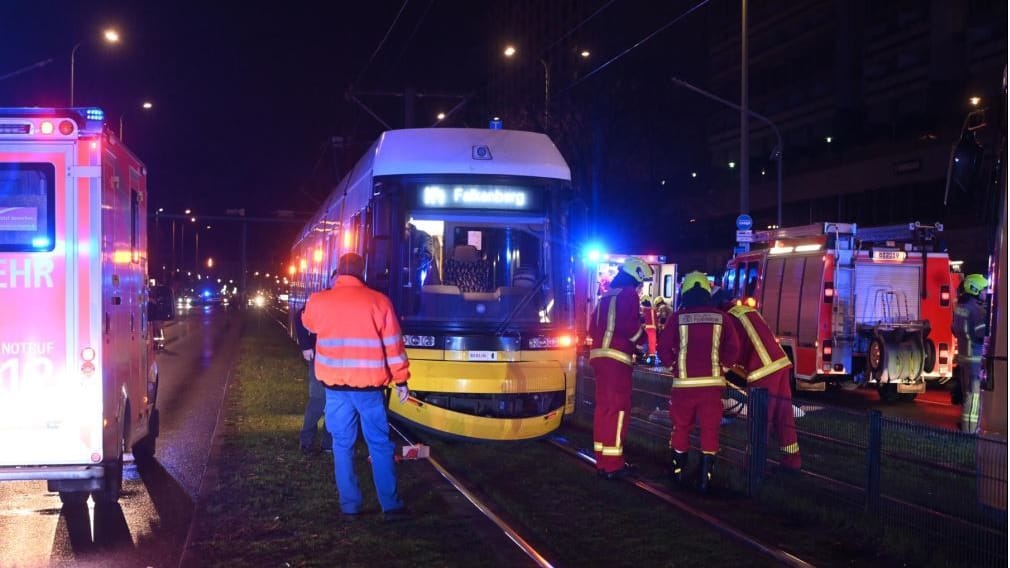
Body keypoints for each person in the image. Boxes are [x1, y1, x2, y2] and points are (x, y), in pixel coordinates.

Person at [302, 253, 411, 521]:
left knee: (342, 445)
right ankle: (391, 505)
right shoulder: (379, 302)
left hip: (335, 388)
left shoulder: (320, 300)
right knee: (380, 444)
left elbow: (308, 323)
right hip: (369, 389)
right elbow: (394, 347)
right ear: (363, 271)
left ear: (338, 272)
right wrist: (401, 380)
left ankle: (350, 506)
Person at [657, 271, 740, 493]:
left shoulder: (677, 317)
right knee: (710, 431)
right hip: (712, 386)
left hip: (684, 386)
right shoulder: (721, 317)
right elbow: (734, 347)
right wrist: (723, 367)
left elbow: (663, 347)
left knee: (681, 428)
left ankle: (678, 475)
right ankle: (705, 481)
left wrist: (673, 366)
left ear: (685, 293)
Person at [713, 288, 801, 471]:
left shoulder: (728, 319)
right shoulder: (745, 310)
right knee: (783, 416)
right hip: (781, 363)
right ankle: (792, 462)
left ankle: (754, 466)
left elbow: (732, 350)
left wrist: (720, 372)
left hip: (762, 371)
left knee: (760, 419)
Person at [588, 257, 652, 479]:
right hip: (616, 360)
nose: (640, 288)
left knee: (604, 409)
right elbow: (629, 326)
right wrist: (644, 343)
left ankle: (602, 461)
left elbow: (592, 327)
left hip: (598, 357)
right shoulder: (628, 294)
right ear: (635, 277)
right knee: (618, 409)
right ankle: (614, 465)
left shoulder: (606, 294)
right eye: (640, 283)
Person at [951, 273, 988, 433]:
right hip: (974, 360)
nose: (986, 293)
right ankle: (970, 431)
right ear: (975, 289)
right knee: (973, 398)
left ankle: (966, 428)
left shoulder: (961, 307)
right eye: (984, 289)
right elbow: (982, 336)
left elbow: (953, 329)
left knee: (967, 396)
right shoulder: (978, 311)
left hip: (964, 359)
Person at [295, 305, 332, 455]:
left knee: (330, 400)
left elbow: (300, 316)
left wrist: (306, 345)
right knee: (320, 399)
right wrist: (305, 345)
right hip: (323, 355)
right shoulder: (325, 298)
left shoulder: (325, 298)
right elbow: (300, 316)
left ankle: (325, 443)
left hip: (330, 355)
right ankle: (309, 442)